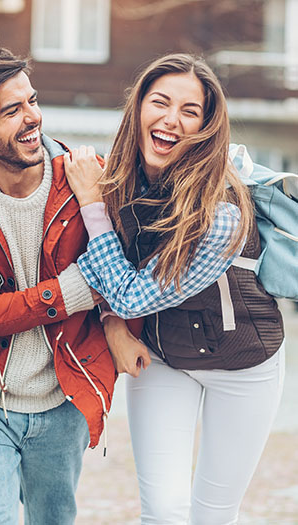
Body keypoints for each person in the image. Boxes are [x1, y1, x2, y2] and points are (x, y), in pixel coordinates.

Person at [65, 53, 285, 524]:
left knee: (212, 515)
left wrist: (91, 204)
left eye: (190, 111)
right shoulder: (119, 182)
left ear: (207, 126)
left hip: (244, 363)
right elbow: (97, 270)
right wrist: (111, 326)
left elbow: (131, 294)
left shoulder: (223, 213)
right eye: (160, 102)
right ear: (138, 107)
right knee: (163, 511)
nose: (171, 120)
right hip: (163, 357)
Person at [0, 46, 142, 525]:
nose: (33, 118)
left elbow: (122, 279)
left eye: (32, 100)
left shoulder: (86, 182)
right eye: (13, 111)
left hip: (64, 398)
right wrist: (67, 293)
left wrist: (109, 318)